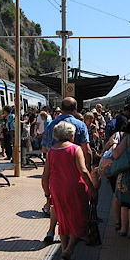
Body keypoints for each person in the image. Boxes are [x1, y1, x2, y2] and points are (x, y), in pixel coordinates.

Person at [42, 120, 97, 260]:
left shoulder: (51, 151)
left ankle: (64, 252)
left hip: (57, 189)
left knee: (63, 219)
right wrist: (92, 188)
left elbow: (45, 175)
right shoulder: (75, 149)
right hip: (75, 188)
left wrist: (47, 195)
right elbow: (83, 171)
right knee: (79, 218)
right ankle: (69, 250)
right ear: (70, 135)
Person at [41, 97, 94, 244]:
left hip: (55, 174)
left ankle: (52, 231)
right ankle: (73, 238)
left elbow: (45, 148)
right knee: (76, 206)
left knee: (56, 204)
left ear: (61, 109)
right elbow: (87, 150)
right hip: (75, 173)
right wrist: (89, 167)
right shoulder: (81, 125)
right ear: (75, 109)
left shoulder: (52, 124)